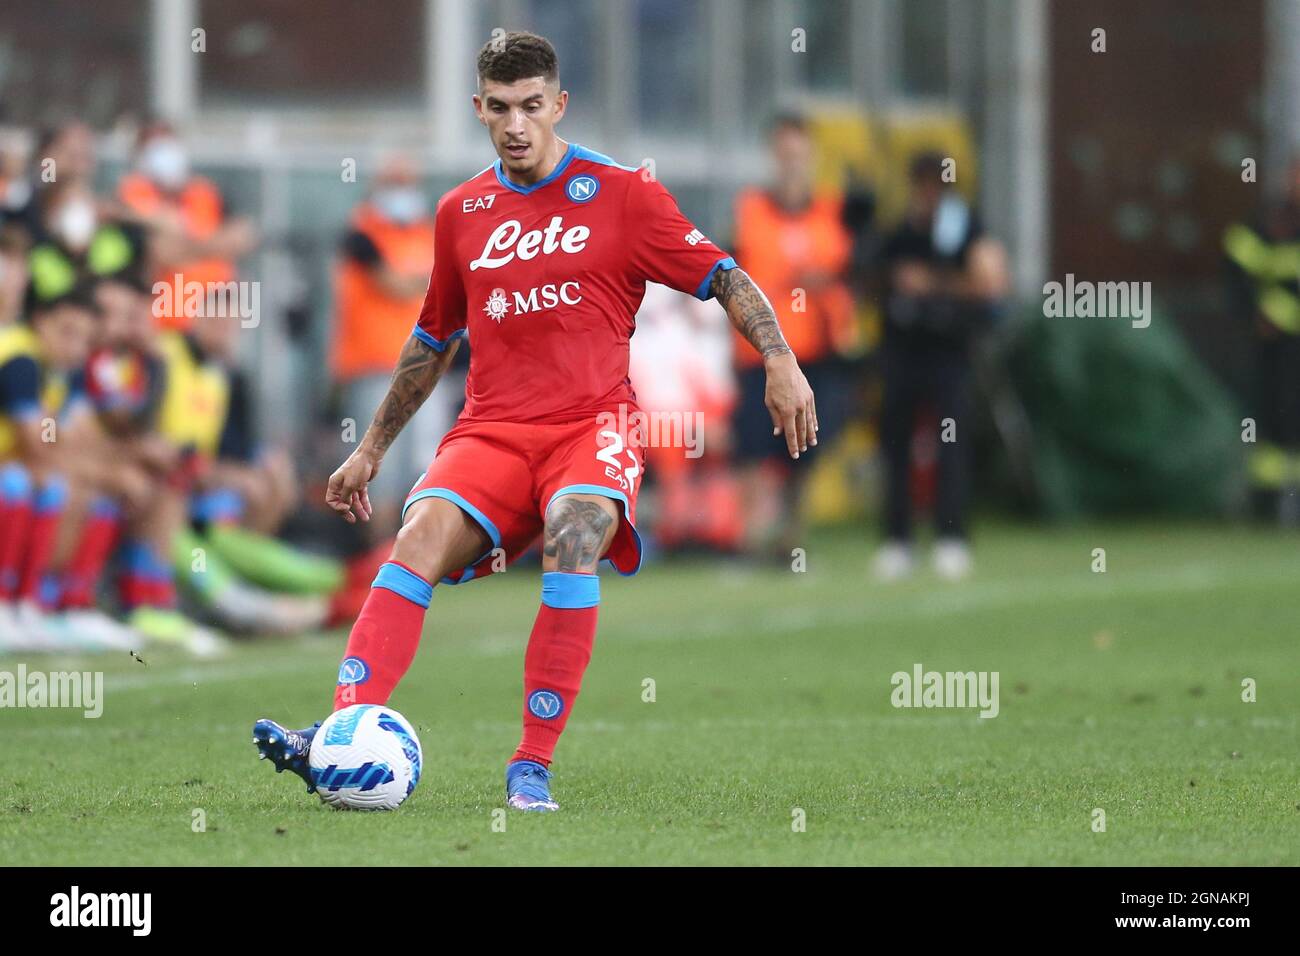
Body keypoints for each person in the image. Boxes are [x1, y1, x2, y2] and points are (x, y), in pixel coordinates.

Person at [252, 31, 816, 812]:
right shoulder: (461, 213)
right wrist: (372, 448)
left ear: (558, 104)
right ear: (478, 108)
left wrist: (781, 358)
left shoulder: (625, 195)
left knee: (573, 527)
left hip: (593, 425)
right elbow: (431, 338)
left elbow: (722, 275)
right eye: (499, 108)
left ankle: (531, 766)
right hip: (491, 430)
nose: (516, 124)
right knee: (414, 539)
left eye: (531, 106)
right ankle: (343, 735)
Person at [872, 153, 1009, 581]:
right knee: (895, 446)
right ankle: (898, 540)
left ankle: (952, 538)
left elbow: (991, 285)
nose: (928, 194)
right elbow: (874, 280)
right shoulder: (899, 233)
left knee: (951, 447)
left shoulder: (964, 229)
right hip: (901, 354)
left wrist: (930, 283)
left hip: (949, 355)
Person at [730, 112, 857, 558]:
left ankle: (790, 543)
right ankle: (748, 544)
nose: (792, 164)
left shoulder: (830, 211)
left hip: (814, 351)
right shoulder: (752, 209)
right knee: (750, 448)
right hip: (758, 352)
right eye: (784, 154)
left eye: (799, 154)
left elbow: (847, 272)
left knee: (803, 448)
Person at [331, 155, 455, 538]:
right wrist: (434, 280)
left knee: (427, 466)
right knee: (377, 468)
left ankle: (420, 554)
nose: (403, 192)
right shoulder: (362, 232)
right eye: (394, 183)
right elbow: (397, 284)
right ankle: (378, 559)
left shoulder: (423, 232)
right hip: (374, 368)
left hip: (426, 368)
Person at [117, 120, 258, 331]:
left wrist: (187, 247)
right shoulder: (132, 195)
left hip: (214, 321)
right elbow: (162, 252)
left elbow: (244, 236)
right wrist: (216, 246)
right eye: (155, 145)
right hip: (165, 326)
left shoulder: (204, 192)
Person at [1222, 157, 1300, 523]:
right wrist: (1255, 313)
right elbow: (1236, 264)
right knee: (1273, 421)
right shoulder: (1271, 221)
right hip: (1278, 348)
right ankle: (1270, 507)